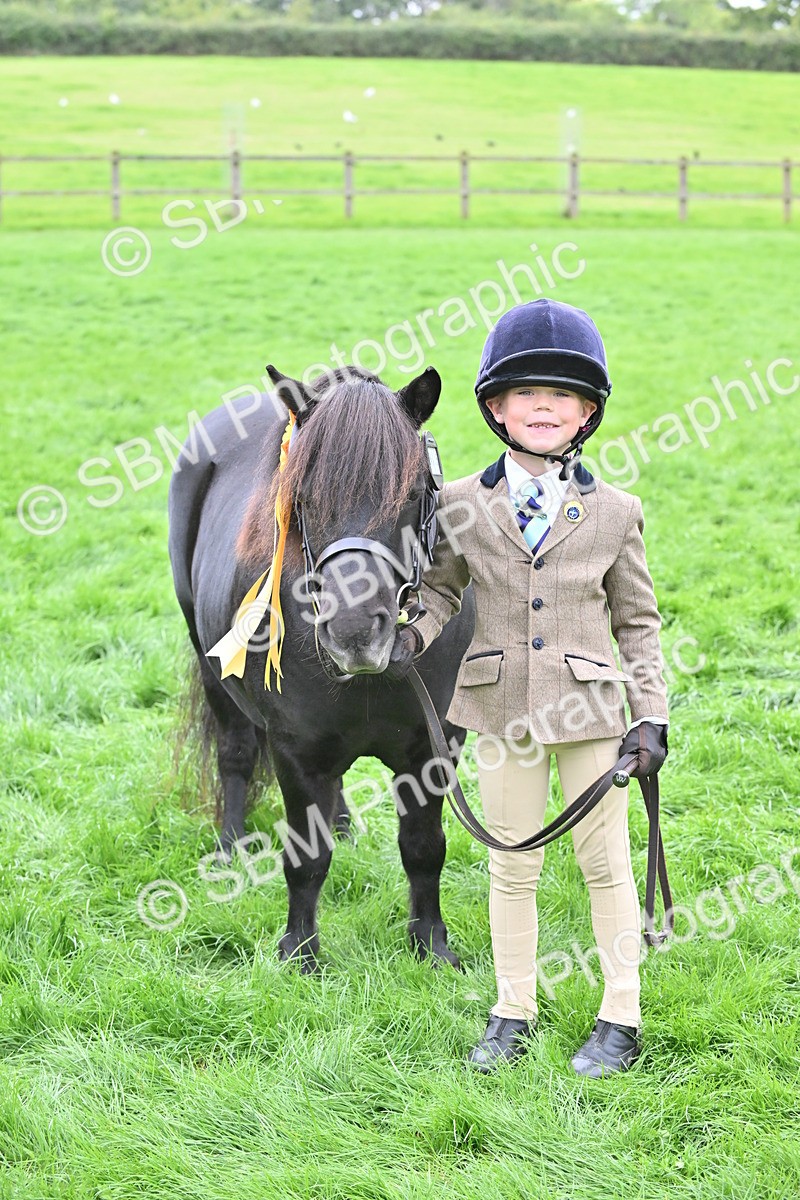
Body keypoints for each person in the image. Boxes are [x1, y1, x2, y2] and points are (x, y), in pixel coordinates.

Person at [392, 298, 669, 1078]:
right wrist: (409, 634)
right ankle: (512, 1006)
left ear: (587, 412)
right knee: (511, 864)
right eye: (525, 394)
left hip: (590, 713)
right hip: (500, 708)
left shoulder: (617, 513)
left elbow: (638, 623)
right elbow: (443, 593)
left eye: (562, 395)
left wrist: (651, 716)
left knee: (605, 863)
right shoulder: (458, 507)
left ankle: (621, 1012)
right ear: (495, 409)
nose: (543, 406)